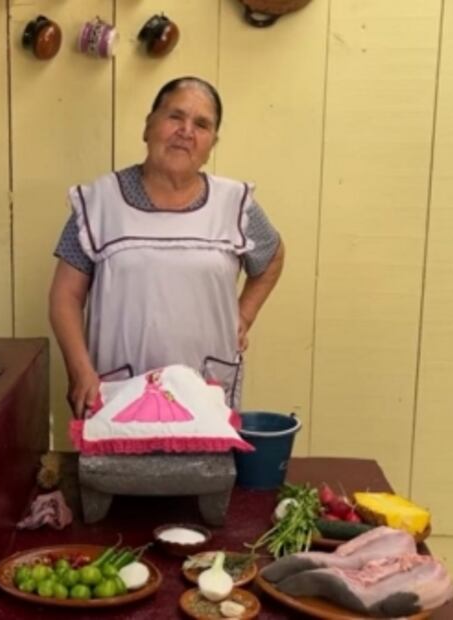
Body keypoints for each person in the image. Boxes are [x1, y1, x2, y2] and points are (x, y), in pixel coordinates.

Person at [48, 76, 285, 420]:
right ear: (149, 126)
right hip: (118, 393)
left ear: (211, 143)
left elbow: (272, 257)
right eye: (175, 116)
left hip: (206, 395)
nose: (186, 131)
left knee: (205, 473)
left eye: (201, 124)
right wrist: (80, 369)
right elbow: (64, 297)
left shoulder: (235, 205)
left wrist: (243, 316)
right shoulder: (99, 203)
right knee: (117, 472)